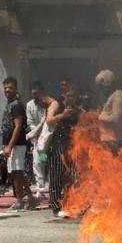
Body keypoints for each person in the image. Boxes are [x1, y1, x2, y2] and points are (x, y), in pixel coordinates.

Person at [46, 88, 81, 217]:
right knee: (56, 175)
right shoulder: (57, 104)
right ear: (64, 95)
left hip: (72, 145)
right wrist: (62, 115)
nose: (72, 98)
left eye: (74, 96)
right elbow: (49, 120)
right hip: (57, 144)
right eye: (70, 95)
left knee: (71, 176)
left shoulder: (77, 109)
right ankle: (55, 206)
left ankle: (68, 204)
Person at [0, 77, 31, 211]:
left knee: (17, 172)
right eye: (6, 87)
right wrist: (4, 145)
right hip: (10, 144)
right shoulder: (9, 104)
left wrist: (10, 146)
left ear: (16, 89)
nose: (7, 90)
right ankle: (30, 197)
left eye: (10, 88)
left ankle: (19, 201)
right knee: (15, 172)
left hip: (17, 144)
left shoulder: (17, 105)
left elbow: (18, 127)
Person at [95, 70, 122, 154]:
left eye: (101, 87)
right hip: (112, 140)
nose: (101, 90)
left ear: (107, 83)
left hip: (116, 141)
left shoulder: (118, 96)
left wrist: (98, 117)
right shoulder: (114, 96)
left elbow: (116, 119)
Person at [26, 81, 48, 198]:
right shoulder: (29, 105)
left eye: (37, 93)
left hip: (47, 141)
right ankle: (40, 190)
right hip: (37, 142)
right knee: (37, 163)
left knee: (46, 163)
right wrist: (34, 133)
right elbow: (30, 122)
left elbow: (45, 121)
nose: (35, 96)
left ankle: (53, 188)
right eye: (33, 93)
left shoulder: (47, 104)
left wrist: (32, 133)